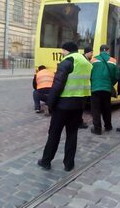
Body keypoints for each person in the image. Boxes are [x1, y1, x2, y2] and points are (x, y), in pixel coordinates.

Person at [37, 42, 92, 171]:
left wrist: (49, 104)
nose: (61, 53)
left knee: (54, 134)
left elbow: (57, 85)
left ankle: (46, 161)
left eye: (62, 50)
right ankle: (69, 164)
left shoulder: (67, 62)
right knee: (72, 134)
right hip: (79, 105)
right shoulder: (86, 63)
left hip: (63, 105)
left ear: (66, 50)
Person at [90, 44, 119, 135]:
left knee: (96, 109)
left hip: (95, 88)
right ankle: (108, 126)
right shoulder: (113, 61)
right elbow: (117, 76)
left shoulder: (93, 60)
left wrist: (93, 82)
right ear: (107, 51)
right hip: (107, 89)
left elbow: (89, 74)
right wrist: (110, 83)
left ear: (99, 51)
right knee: (106, 108)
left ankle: (97, 129)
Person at [78, 46, 94, 129]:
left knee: (81, 106)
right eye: (91, 52)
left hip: (83, 87)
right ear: (87, 52)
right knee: (80, 106)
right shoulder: (84, 61)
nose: (92, 54)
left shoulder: (85, 60)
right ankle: (79, 122)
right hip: (81, 87)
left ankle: (78, 121)